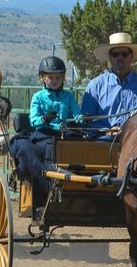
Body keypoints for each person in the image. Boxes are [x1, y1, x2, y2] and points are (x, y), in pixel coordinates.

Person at [9, 55, 84, 204]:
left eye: (58, 77)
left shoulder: (68, 96)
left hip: (65, 135)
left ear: (63, 78)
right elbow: (34, 120)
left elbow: (76, 113)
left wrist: (80, 119)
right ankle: (49, 185)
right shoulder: (38, 97)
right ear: (42, 78)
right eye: (51, 77)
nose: (55, 80)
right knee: (50, 148)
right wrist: (45, 119)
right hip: (44, 135)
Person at [81, 33, 137, 130]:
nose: (120, 57)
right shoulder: (95, 87)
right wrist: (107, 131)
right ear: (110, 58)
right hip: (104, 142)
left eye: (124, 54)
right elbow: (87, 120)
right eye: (115, 54)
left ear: (131, 57)